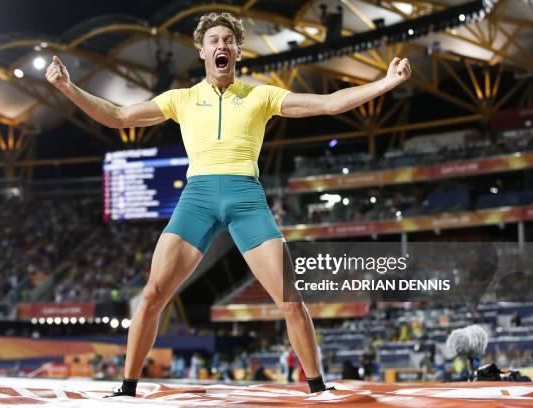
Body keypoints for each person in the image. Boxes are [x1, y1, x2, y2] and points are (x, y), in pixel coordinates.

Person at [46, 11, 411, 397]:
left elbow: (328, 104)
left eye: (228, 40)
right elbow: (119, 116)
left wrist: (386, 82)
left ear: (236, 51)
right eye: (214, 40)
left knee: (290, 299)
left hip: (246, 199)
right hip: (197, 199)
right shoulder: (181, 99)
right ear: (202, 51)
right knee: (153, 294)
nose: (222, 45)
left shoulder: (260, 95)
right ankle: (127, 387)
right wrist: (68, 88)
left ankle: (318, 388)